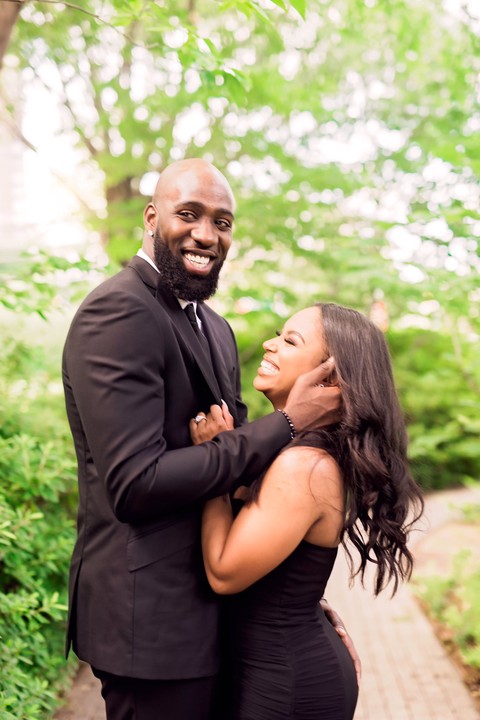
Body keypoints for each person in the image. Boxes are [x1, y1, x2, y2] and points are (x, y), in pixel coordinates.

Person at [62, 158, 358, 720]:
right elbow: (136, 483)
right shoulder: (118, 311)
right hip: (150, 631)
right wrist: (289, 422)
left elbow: (240, 471)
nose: (206, 234)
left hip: (221, 620)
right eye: (189, 215)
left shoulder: (214, 327)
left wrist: (296, 604)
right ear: (152, 218)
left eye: (222, 222)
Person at [194, 302, 424, 720]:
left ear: (330, 378)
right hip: (271, 669)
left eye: (289, 340)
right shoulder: (290, 448)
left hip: (287, 684)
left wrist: (213, 461)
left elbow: (224, 573)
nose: (269, 344)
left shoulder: (304, 466)